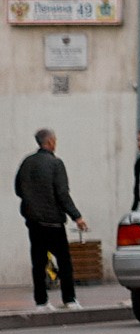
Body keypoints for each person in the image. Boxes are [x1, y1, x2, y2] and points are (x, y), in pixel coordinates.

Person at [15, 129, 88, 312]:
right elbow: (62, 194)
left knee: (38, 262)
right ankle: (69, 299)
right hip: (53, 221)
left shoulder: (27, 162)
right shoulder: (56, 164)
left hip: (33, 220)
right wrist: (76, 216)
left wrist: (31, 203)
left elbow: (18, 189)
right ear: (50, 142)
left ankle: (41, 302)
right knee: (64, 261)